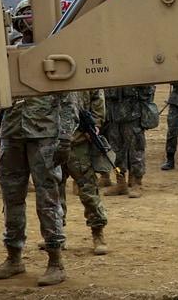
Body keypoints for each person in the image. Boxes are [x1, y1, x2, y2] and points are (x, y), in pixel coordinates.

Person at [0, 8, 69, 286]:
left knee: (48, 199)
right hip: (12, 133)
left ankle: (56, 261)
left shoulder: (54, 51)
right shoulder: (8, 49)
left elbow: (69, 99)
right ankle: (14, 257)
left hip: (44, 135)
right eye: (25, 15)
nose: (29, 21)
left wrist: (66, 137)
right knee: (12, 197)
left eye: (34, 15)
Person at [60, 88, 112, 256]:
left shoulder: (83, 70)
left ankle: (98, 234)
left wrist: (95, 124)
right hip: (53, 140)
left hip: (79, 142)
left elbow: (97, 95)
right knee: (53, 192)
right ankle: (56, 233)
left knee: (88, 190)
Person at [102, 84, 156, 198]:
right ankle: (120, 183)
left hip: (133, 115)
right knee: (115, 151)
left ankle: (137, 183)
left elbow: (149, 87)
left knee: (136, 149)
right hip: (113, 116)